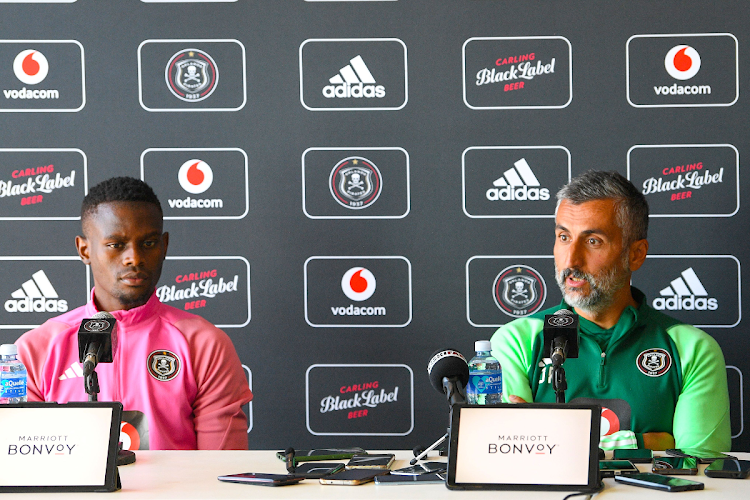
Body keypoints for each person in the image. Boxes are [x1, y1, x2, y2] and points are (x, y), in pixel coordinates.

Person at [490, 170, 731, 451]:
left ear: (636, 254)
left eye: (593, 241)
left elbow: (700, 467)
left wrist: (555, 442)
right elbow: (511, 453)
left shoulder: (691, 348)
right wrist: (641, 442)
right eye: (564, 237)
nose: (572, 260)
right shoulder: (516, 341)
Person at [16, 177, 253, 450]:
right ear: (84, 250)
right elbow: (26, 471)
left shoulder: (205, 345)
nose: (134, 258)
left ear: (164, 246)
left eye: (148, 243)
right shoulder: (37, 349)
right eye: (116, 244)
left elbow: (220, 474)